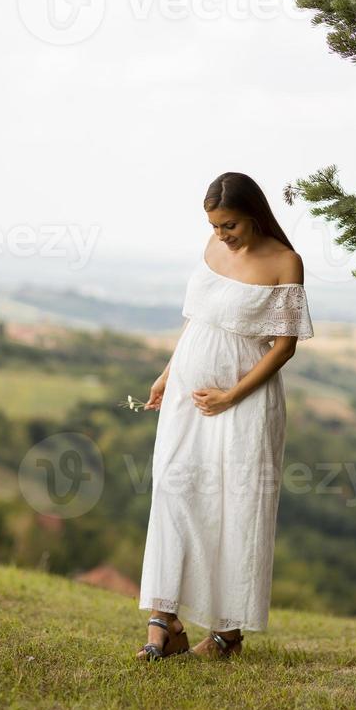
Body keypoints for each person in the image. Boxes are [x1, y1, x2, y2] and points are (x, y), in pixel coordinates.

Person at [136, 171, 314, 661]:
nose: (221, 235)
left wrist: (231, 395)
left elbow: (284, 348)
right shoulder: (213, 250)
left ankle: (226, 635)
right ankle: (165, 619)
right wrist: (168, 372)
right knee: (174, 490)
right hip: (188, 400)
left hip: (245, 405)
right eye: (214, 226)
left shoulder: (285, 262)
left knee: (233, 507)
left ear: (254, 215)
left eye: (229, 225)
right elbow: (199, 319)